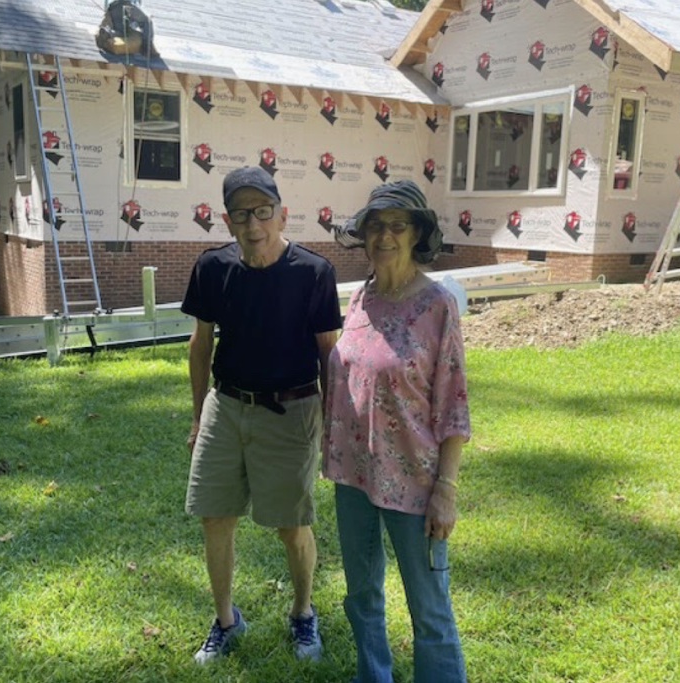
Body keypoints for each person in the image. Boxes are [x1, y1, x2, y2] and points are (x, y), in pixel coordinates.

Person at [181, 166, 342, 665]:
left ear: (281, 213)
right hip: (225, 407)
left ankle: (302, 613)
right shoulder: (212, 268)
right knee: (214, 516)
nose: (254, 224)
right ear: (228, 221)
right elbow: (200, 343)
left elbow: (329, 355)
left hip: (290, 410)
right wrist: (196, 416)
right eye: (242, 213)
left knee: (291, 526)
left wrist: (332, 428)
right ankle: (226, 620)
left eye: (263, 211)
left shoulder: (313, 272)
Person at [325, 180, 470, 683]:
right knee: (362, 597)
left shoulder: (436, 305)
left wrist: (446, 490)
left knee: (429, 610)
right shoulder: (360, 299)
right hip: (354, 477)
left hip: (414, 482)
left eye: (397, 225)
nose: (384, 235)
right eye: (375, 225)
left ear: (416, 234)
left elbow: (453, 402)